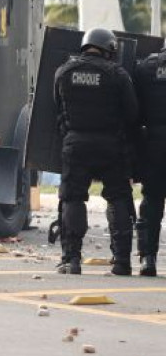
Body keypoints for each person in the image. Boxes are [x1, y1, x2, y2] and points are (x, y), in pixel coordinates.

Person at [52, 28, 140, 275]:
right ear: (110, 49)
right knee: (119, 197)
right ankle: (122, 262)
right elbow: (132, 114)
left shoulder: (63, 72)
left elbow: (57, 109)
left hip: (75, 144)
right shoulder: (118, 74)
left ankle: (71, 260)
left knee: (72, 198)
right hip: (111, 145)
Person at [133, 49, 166, 276]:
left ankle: (148, 259)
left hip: (153, 143)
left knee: (152, 201)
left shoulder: (145, 67)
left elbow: (134, 107)